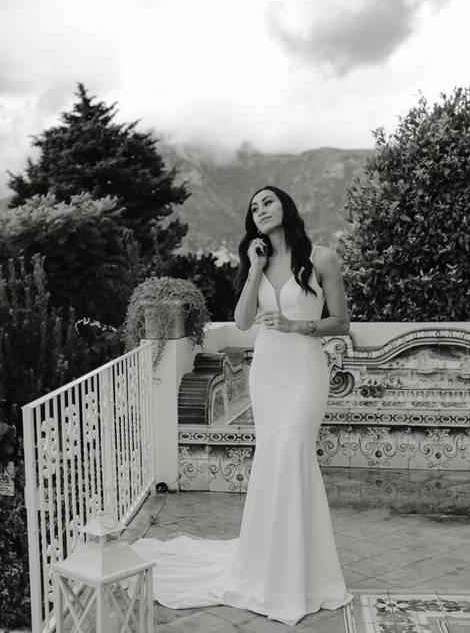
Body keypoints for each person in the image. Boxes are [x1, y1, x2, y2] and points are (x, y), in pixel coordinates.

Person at [131, 186, 353, 626]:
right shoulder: (259, 261)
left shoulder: (323, 258)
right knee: (275, 457)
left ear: (286, 206)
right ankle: (271, 564)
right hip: (268, 373)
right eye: (254, 207)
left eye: (267, 201)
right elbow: (243, 321)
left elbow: (341, 322)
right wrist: (253, 268)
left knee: (293, 450)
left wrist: (296, 324)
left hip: (305, 371)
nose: (260, 209)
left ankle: (303, 572)